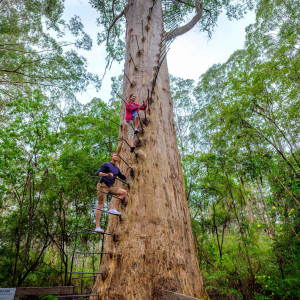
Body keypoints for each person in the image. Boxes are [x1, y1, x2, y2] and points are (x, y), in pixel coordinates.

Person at [95, 152, 130, 232]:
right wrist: (107, 174)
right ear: (111, 157)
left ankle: (113, 208)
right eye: (115, 155)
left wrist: (127, 169)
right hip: (103, 185)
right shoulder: (106, 164)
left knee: (123, 192)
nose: (117, 156)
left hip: (110, 187)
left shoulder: (116, 169)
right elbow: (99, 173)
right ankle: (97, 227)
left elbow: (123, 178)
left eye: (117, 156)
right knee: (100, 205)